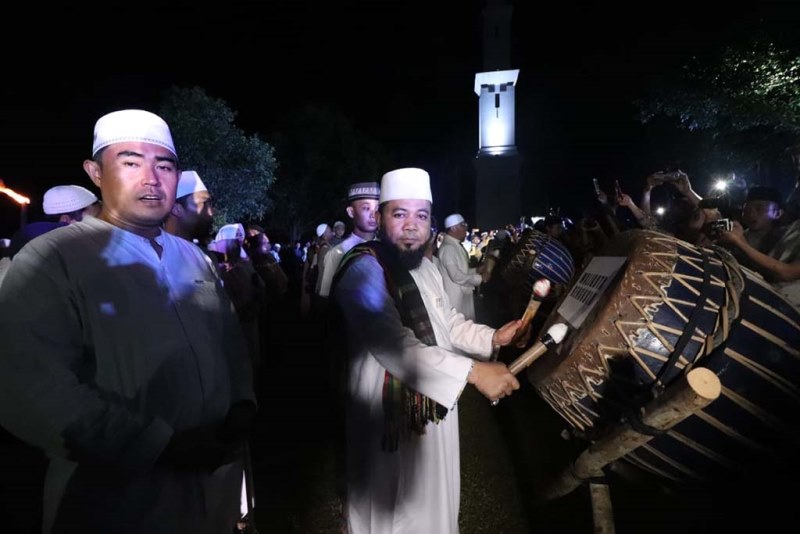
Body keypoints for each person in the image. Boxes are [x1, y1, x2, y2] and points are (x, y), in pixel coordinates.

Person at [0, 109, 255, 534]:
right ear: (95, 172)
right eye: (132, 162)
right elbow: (26, 385)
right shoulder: (54, 258)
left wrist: (243, 404)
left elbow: (230, 343)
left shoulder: (192, 256)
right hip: (115, 496)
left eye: (165, 165)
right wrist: (159, 445)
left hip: (213, 482)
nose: (152, 179)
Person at [331, 167, 522, 534]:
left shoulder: (427, 267)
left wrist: (493, 337)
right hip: (387, 415)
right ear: (380, 217)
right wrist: (473, 371)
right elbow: (394, 345)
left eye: (420, 215)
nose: (411, 225)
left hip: (432, 407)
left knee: (434, 506)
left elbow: (447, 322)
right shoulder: (364, 270)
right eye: (399, 214)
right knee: (391, 510)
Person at [318, 181, 380, 298]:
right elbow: (325, 297)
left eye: (377, 208)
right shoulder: (337, 253)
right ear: (351, 212)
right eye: (366, 208)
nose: (373, 214)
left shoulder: (386, 248)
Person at [437, 213, 487, 320]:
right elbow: (457, 275)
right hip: (456, 301)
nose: (466, 228)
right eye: (463, 225)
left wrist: (476, 270)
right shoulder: (448, 248)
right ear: (454, 228)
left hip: (463, 298)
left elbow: (462, 270)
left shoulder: (454, 245)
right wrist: (481, 278)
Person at [163, 170, 214, 244]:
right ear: (177, 209)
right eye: (203, 203)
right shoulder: (151, 253)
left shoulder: (200, 253)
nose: (210, 213)